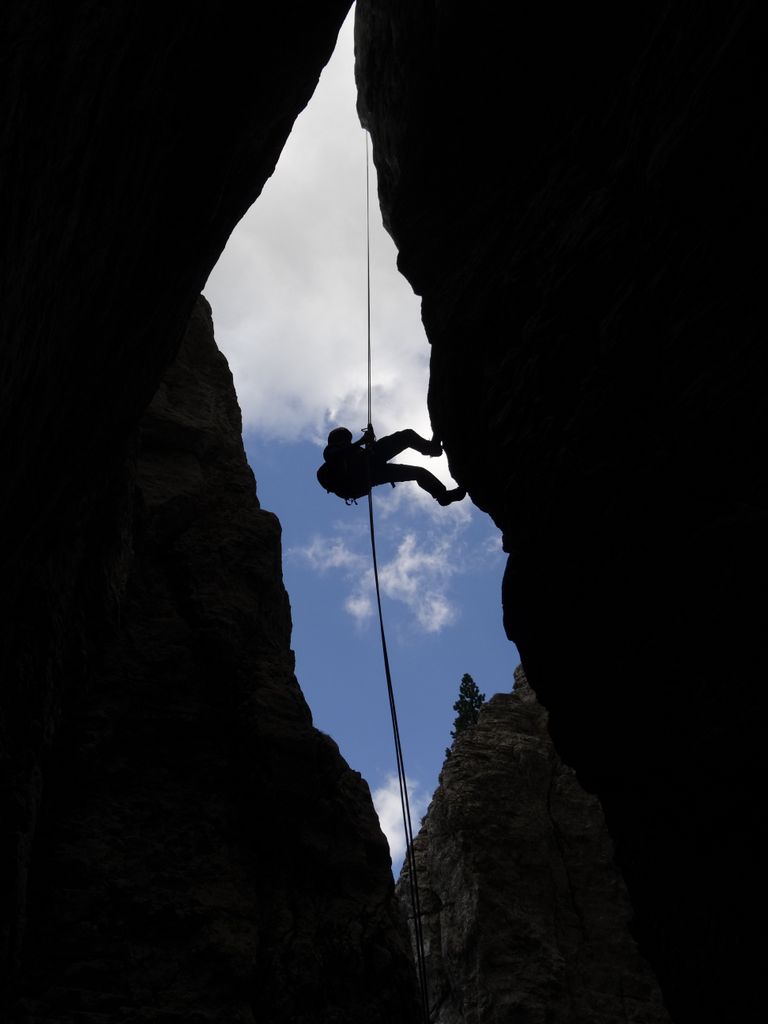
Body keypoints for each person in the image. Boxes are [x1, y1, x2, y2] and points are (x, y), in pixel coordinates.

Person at [317, 425, 466, 505]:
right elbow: (339, 455)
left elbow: (352, 454)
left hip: (372, 474)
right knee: (406, 436)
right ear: (337, 439)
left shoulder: (348, 449)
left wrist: (368, 441)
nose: (348, 441)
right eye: (346, 439)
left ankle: (442, 496)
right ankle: (432, 449)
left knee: (418, 473)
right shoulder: (330, 451)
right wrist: (363, 442)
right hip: (369, 467)